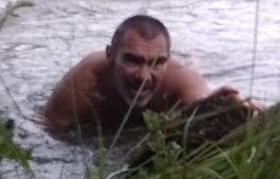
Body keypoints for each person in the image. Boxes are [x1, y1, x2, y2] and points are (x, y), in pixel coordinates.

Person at [43, 15, 255, 134]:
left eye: (157, 63)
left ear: (168, 60)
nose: (144, 76)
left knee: (191, 69)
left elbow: (203, 103)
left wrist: (228, 103)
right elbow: (49, 128)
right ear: (110, 56)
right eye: (132, 60)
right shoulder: (86, 80)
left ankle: (192, 59)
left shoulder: (179, 80)